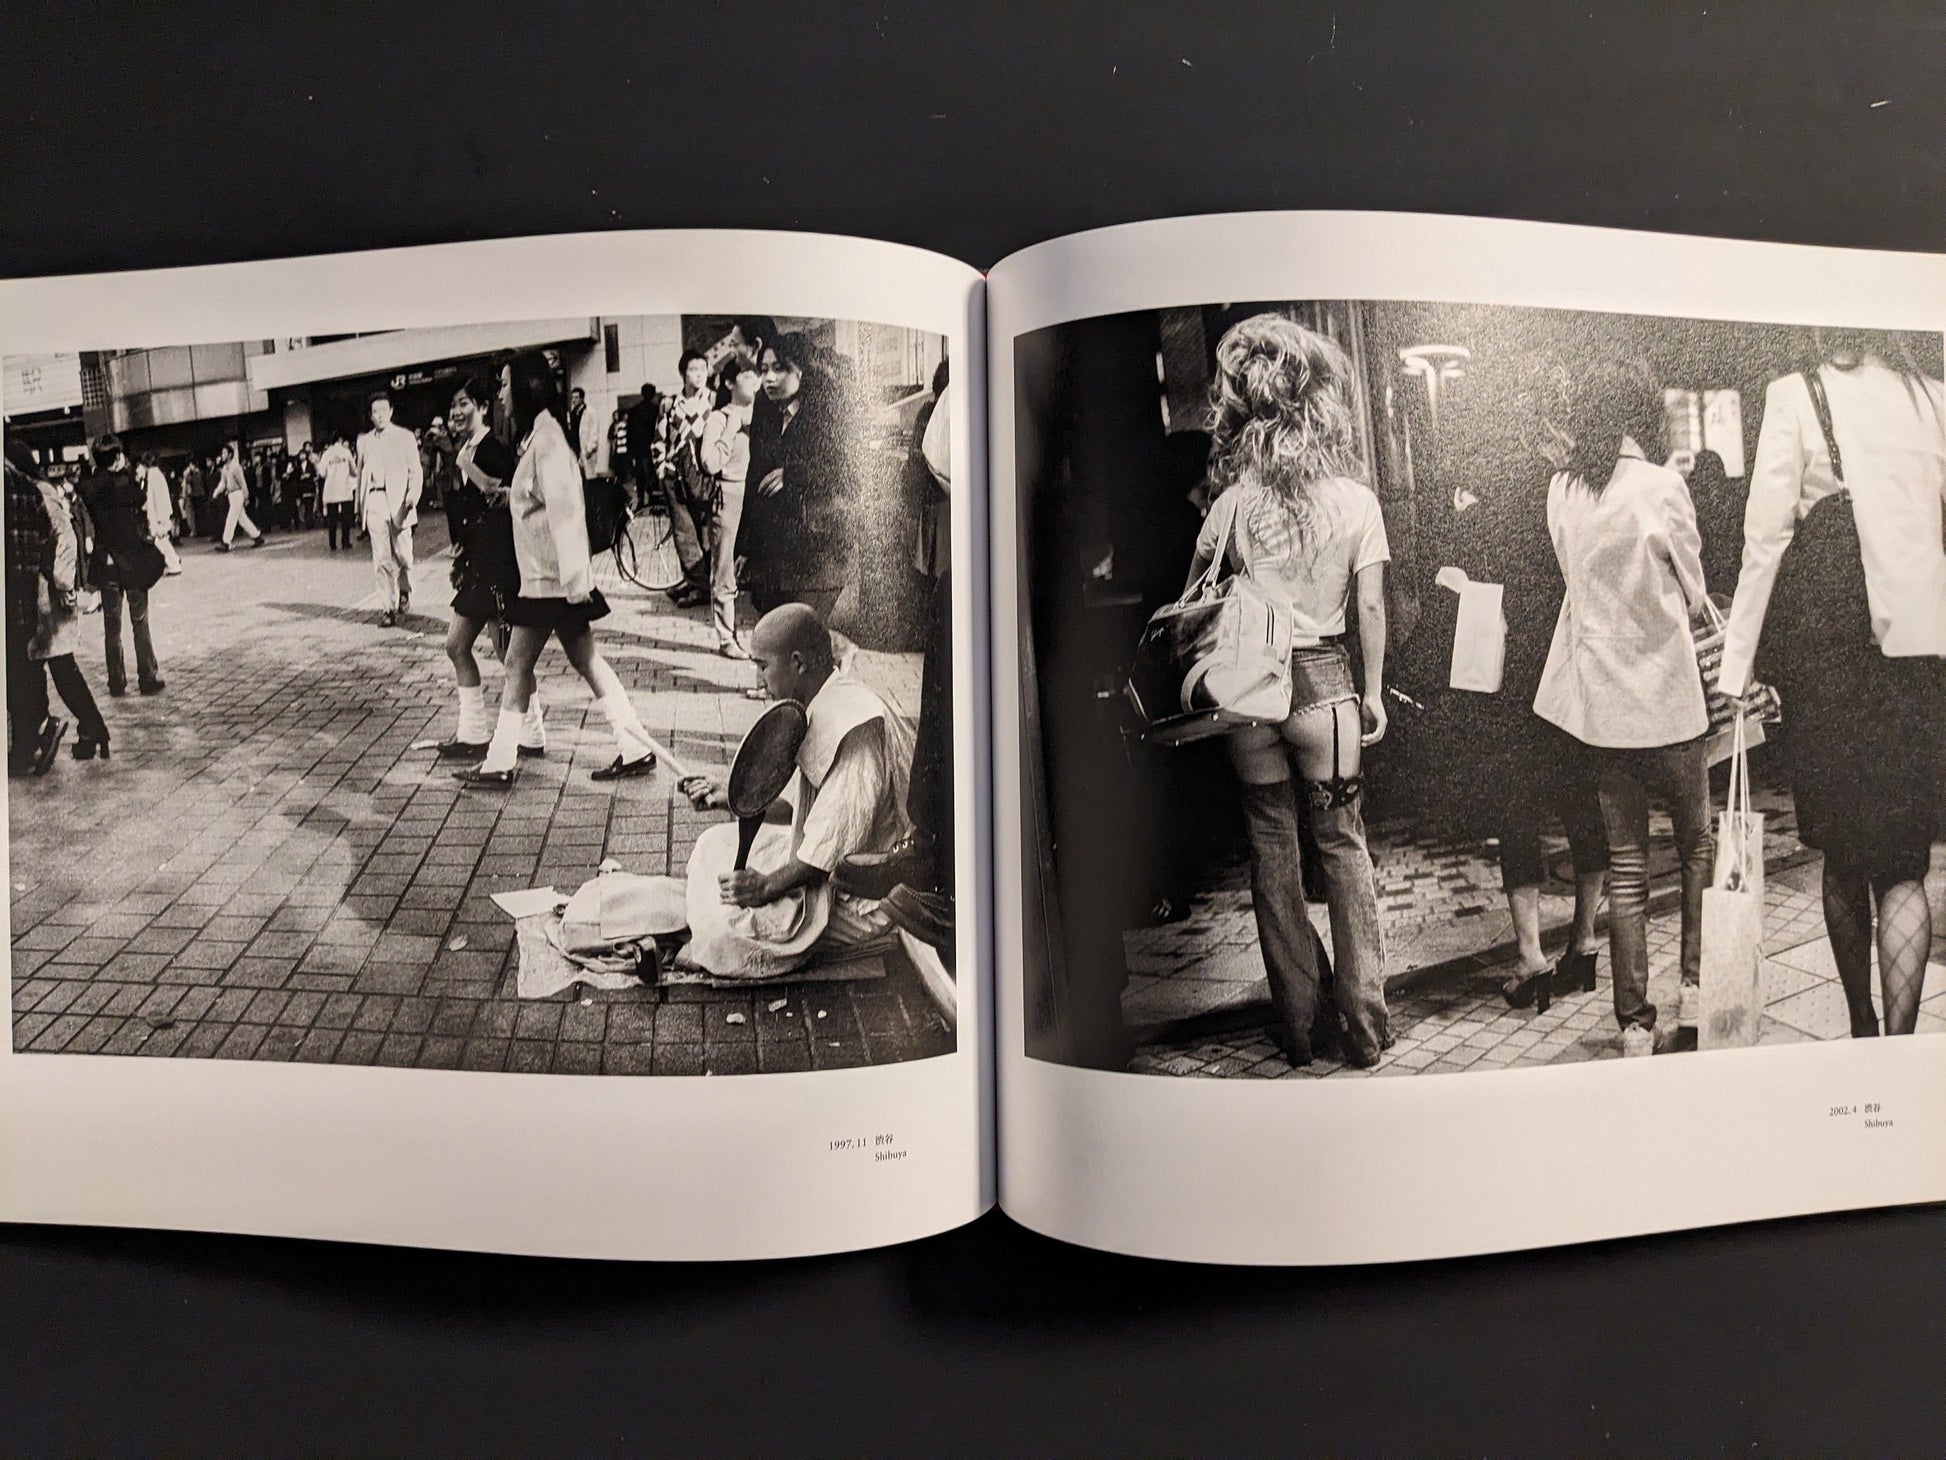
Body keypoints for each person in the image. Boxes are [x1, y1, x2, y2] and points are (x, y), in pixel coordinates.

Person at [1717, 332, 1946, 1038]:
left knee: (1846, 858)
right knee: (1904, 866)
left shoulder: (1797, 395)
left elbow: (1765, 542)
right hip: (1919, 661)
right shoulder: (1935, 399)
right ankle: (1900, 1045)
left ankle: (1861, 1026)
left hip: (1834, 663)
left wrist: (1737, 665)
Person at [1180, 314, 1393, 1068]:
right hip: (1325, 692)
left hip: (1249, 697)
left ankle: (1301, 1024)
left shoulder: (1233, 503)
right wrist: (1373, 692)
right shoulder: (1355, 501)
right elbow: (1371, 608)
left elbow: (1195, 598)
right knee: (1342, 848)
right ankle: (1363, 1026)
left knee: (1271, 851)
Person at [1534, 358, 1712, 1059]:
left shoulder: (1563, 491)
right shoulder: (1662, 487)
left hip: (1606, 711)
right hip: (1670, 703)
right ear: (1642, 414)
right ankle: (1694, 989)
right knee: (1695, 847)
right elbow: (1694, 590)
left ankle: (1634, 1025)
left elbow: (1573, 585)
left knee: (1628, 865)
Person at [1431, 361, 1610, 1012]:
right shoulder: (1568, 488)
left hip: (1504, 671)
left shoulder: (1477, 499)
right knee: (1582, 799)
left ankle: (1532, 956)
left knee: (1518, 811)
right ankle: (1585, 943)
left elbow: (1454, 580)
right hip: (1566, 659)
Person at [453, 350, 659, 788]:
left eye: (506, 384)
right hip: (555, 581)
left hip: (551, 583)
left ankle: (500, 761)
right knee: (586, 661)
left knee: (517, 663)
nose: (501, 394)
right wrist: (510, 497)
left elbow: (566, 514)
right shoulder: (540, 436)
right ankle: (635, 746)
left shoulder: (546, 440)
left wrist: (577, 587)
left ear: (526, 387)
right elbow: (543, 503)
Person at [677, 603, 916, 978]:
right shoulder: (823, 700)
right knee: (712, 843)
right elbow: (797, 808)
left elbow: (826, 855)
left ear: (798, 663)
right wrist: (729, 796)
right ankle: (710, 914)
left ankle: (709, 924)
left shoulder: (855, 728)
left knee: (722, 934)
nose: (759, 680)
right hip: (828, 860)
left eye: (762, 666)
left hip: (865, 897)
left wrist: (766, 887)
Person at [435, 375, 546, 760]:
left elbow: (500, 494)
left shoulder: (492, 448)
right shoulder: (464, 450)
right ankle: (475, 733)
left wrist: (463, 461)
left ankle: (530, 733)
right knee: (458, 646)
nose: (456, 412)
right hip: (477, 566)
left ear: (483, 407)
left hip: (499, 567)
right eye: (453, 405)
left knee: (508, 657)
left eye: (464, 403)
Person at [740, 333, 857, 621]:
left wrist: (793, 474)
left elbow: (849, 473)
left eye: (779, 368)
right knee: (777, 634)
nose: (769, 378)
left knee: (801, 633)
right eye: (763, 370)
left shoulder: (830, 411)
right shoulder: (765, 413)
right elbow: (753, 481)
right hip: (774, 556)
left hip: (819, 551)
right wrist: (745, 547)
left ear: (801, 370)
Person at [5, 439, 78, 776]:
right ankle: (29, 742)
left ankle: (36, 733)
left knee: (16, 674)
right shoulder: (28, 488)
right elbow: (48, 536)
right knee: (21, 669)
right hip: (24, 596)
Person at [79, 434, 166, 700]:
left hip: (106, 563)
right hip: (132, 562)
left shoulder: (91, 487)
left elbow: (88, 487)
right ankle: (147, 676)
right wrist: (125, 471)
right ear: (117, 457)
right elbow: (139, 498)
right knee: (139, 621)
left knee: (112, 626)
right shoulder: (125, 484)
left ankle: (116, 680)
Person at [698, 352, 759, 656]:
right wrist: (730, 429)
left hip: (758, 496)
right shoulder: (718, 418)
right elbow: (709, 462)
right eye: (748, 375)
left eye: (756, 375)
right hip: (729, 494)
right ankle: (726, 639)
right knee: (724, 567)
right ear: (729, 383)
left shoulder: (764, 415)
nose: (756, 381)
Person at [355, 388, 423, 628]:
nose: (380, 415)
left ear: (391, 411)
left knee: (404, 555)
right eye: (375, 411)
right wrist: (359, 508)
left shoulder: (404, 437)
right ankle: (387, 607)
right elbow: (360, 475)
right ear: (370, 416)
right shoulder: (364, 442)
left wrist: (412, 495)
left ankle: (405, 590)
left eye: (384, 410)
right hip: (375, 501)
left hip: (399, 502)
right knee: (381, 558)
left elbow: (416, 471)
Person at [655, 352, 715, 603]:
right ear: (683, 373)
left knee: (706, 530)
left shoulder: (714, 400)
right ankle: (694, 582)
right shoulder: (670, 404)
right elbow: (659, 438)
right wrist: (661, 468)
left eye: (703, 368)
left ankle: (703, 583)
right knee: (684, 531)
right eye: (693, 369)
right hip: (675, 475)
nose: (699, 374)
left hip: (704, 475)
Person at [138, 450, 182, 576]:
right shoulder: (157, 474)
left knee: (160, 541)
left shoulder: (152, 475)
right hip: (161, 513)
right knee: (161, 540)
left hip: (158, 515)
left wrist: (157, 517)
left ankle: (174, 564)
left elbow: (154, 498)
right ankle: (174, 560)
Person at [213, 442, 264, 551]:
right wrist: (217, 491)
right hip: (231, 495)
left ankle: (226, 542)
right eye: (222, 453)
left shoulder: (236, 467)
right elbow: (223, 482)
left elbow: (242, 482)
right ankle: (257, 536)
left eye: (225, 453)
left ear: (230, 455)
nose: (222, 455)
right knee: (242, 519)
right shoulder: (225, 468)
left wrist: (246, 496)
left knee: (231, 518)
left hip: (237, 494)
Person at [316, 432, 357, 550]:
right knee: (346, 518)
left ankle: (332, 543)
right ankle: (345, 542)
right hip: (344, 488)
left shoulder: (326, 454)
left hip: (331, 490)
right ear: (340, 439)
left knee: (332, 519)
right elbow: (354, 471)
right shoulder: (346, 452)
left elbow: (322, 473)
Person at [179, 456, 205, 539]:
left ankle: (197, 530)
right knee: (194, 514)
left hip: (196, 495)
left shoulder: (196, 473)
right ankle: (196, 530)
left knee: (195, 514)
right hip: (195, 495)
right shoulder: (193, 473)